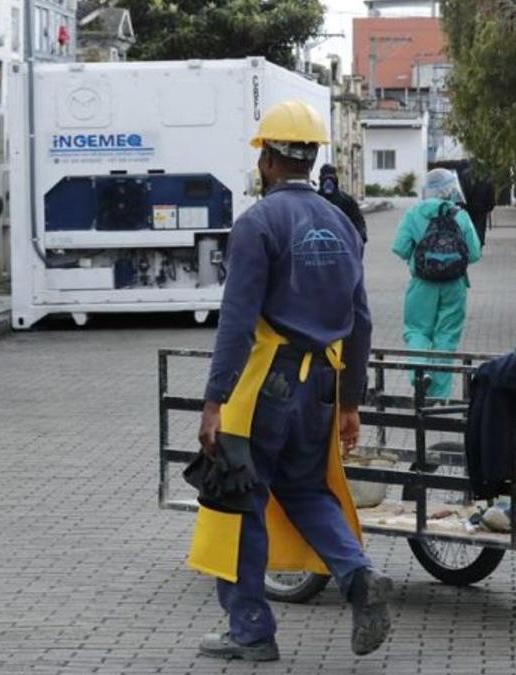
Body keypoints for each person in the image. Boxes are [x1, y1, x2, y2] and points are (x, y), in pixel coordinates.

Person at [194, 100, 392, 662]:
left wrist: (214, 403)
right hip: (322, 384)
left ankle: (250, 629)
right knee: (305, 489)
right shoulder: (343, 224)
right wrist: (350, 401)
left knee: (240, 500)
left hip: (267, 386)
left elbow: (236, 324)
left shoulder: (257, 224)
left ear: (267, 163)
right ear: (310, 159)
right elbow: (363, 320)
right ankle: (357, 576)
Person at [391, 168, 483, 399]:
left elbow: (400, 247)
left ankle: (419, 375)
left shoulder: (413, 214)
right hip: (455, 286)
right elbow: (473, 254)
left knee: (417, 331)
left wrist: (418, 256)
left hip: (421, 285)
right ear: (451, 189)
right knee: (446, 338)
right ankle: (440, 397)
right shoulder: (460, 216)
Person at [318, 163, 368, 244]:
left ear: (336, 180)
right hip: (319, 244)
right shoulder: (314, 200)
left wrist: (360, 238)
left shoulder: (347, 200)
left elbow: (358, 221)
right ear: (320, 179)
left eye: (331, 178)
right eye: (325, 178)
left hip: (342, 244)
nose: (328, 182)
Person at [459, 163, 496, 246]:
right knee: (479, 228)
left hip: (469, 207)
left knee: (469, 227)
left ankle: (470, 244)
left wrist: (462, 206)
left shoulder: (465, 175)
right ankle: (478, 245)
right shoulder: (487, 176)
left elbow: (462, 191)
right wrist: (490, 206)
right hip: (481, 208)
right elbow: (491, 192)